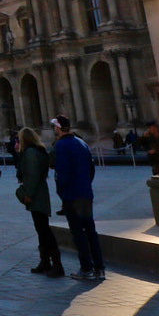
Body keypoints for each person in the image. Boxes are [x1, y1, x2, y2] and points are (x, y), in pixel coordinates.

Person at [50, 116, 104, 280]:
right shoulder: (82, 143)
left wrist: (62, 191)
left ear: (58, 128)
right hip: (86, 194)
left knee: (78, 233)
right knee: (90, 231)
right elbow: (91, 169)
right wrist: (85, 185)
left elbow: (61, 173)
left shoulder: (61, 146)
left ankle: (86, 267)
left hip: (71, 196)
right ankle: (99, 267)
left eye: (55, 127)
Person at [17, 126, 63, 277]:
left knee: (44, 231)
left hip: (36, 195)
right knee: (41, 229)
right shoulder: (38, 151)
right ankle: (45, 262)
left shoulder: (30, 153)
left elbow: (31, 175)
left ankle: (57, 264)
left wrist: (27, 194)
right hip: (40, 193)